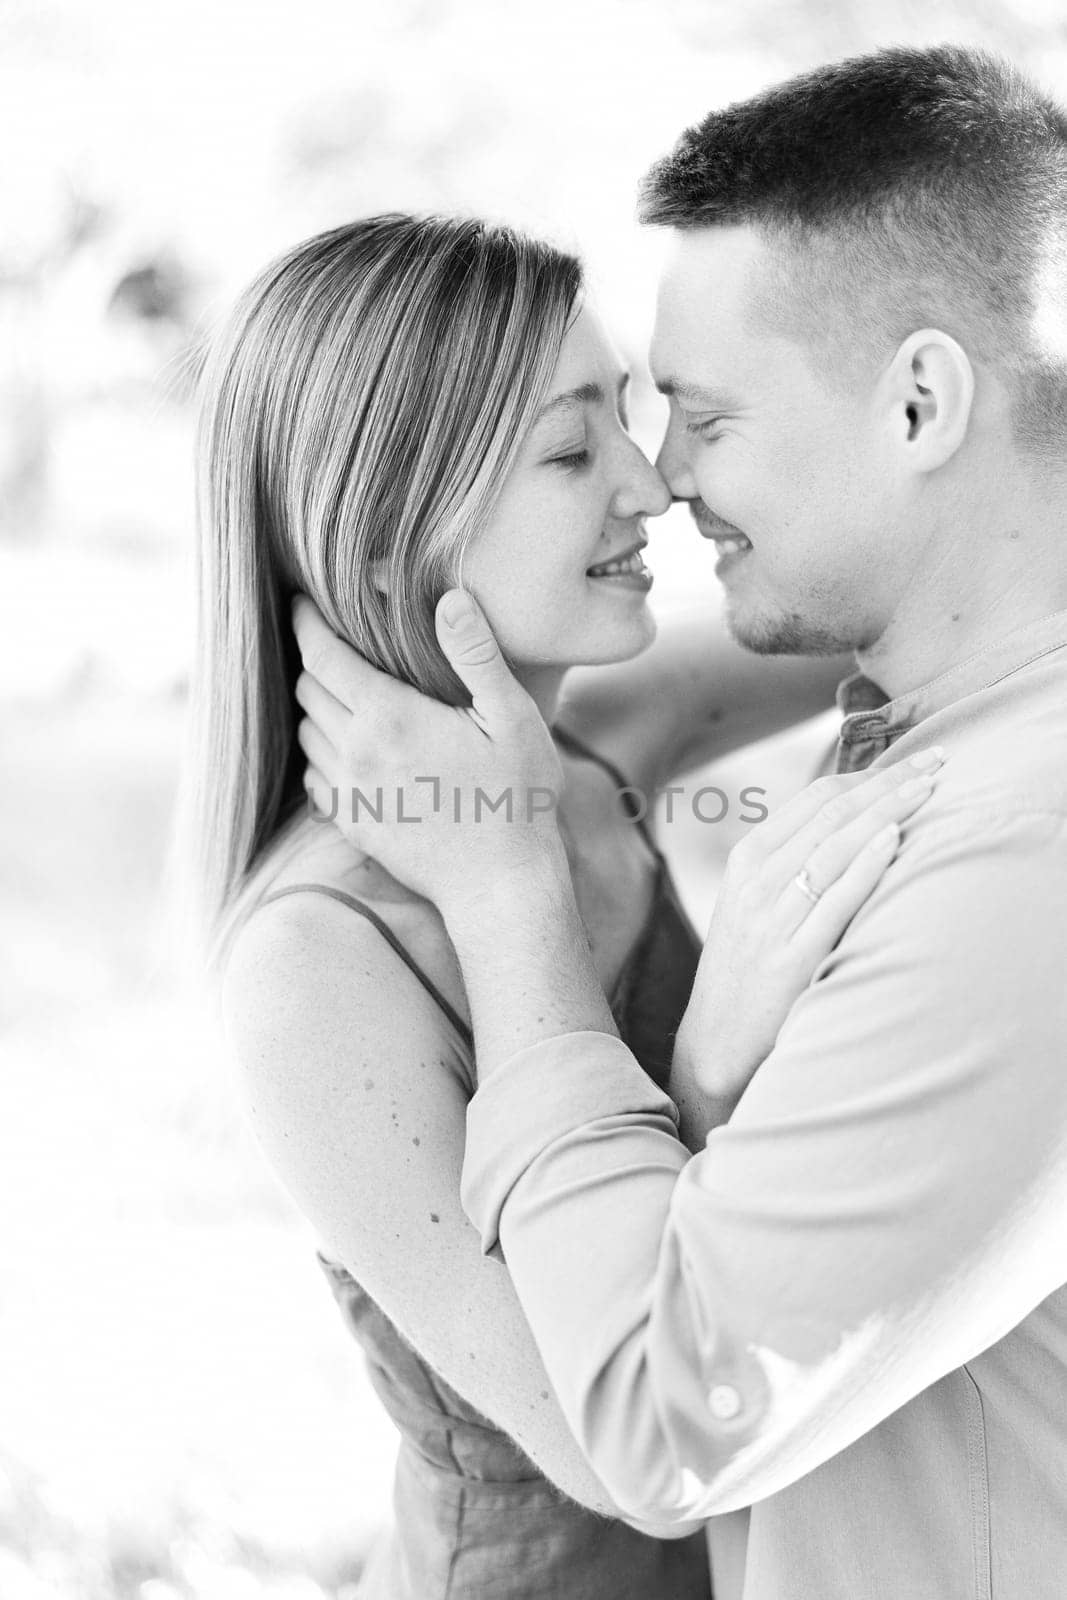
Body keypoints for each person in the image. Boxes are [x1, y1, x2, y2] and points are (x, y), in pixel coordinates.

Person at [289, 46, 1067, 1600]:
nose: (666, 481)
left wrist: (517, 908)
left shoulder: (1018, 856)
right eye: (598, 440)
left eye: (703, 418)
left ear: (920, 402)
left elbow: (661, 1424)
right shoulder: (923, 695)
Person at [187, 213, 933, 1598]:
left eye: (630, 424)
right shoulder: (315, 964)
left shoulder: (602, 738)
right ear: (390, 541)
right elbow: (619, 1454)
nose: (653, 490)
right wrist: (703, 1054)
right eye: (571, 450)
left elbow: (933, 594)